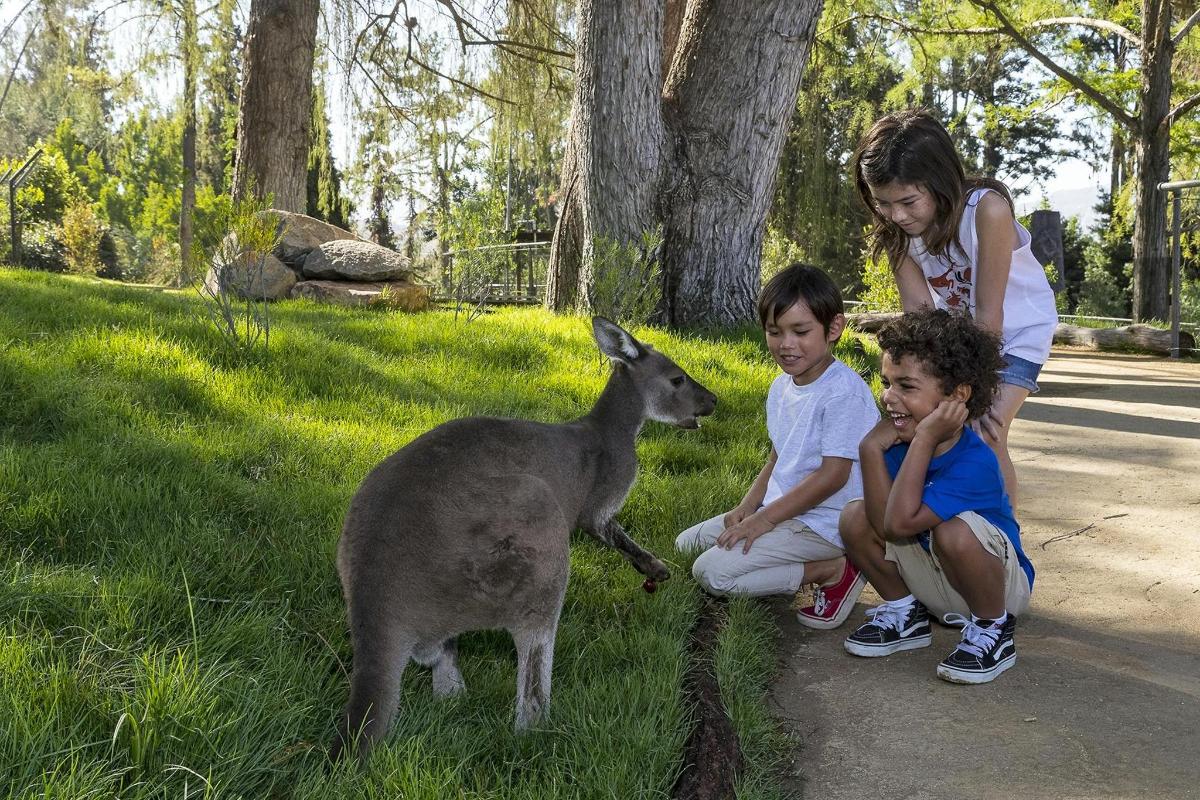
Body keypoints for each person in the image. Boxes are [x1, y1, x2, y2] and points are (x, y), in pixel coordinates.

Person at [851, 108, 1057, 509]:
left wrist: (973, 396)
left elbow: (989, 314)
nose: (896, 215)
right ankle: (943, 534)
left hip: (1014, 335)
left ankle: (1002, 544)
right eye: (884, 203)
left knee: (984, 431)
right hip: (964, 340)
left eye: (908, 201)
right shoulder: (899, 232)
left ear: (940, 181)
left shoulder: (987, 211)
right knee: (936, 428)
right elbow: (919, 315)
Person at [675, 263, 880, 629]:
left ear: (834, 328)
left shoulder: (843, 393)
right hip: (783, 511)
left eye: (800, 331)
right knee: (685, 546)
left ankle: (831, 569)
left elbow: (834, 476)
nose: (786, 345)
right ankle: (784, 558)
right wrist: (747, 507)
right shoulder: (780, 387)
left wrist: (763, 521)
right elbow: (777, 456)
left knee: (712, 574)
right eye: (775, 331)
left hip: (824, 525)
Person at [840, 309, 1034, 684]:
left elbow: (900, 524)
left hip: (996, 591)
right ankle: (905, 613)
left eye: (906, 387)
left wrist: (920, 440)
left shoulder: (974, 461)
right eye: (886, 383)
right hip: (937, 580)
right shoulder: (895, 444)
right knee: (854, 517)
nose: (889, 398)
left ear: (957, 397)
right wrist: (872, 451)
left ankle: (993, 632)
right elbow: (883, 527)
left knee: (953, 531)